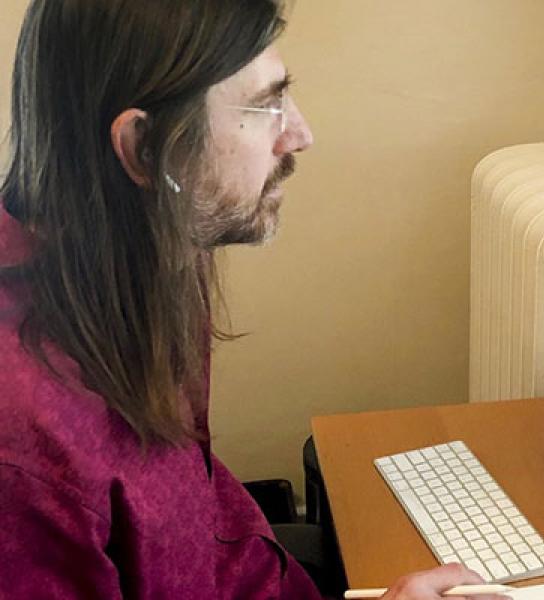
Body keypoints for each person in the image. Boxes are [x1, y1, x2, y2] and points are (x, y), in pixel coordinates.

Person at [0, 2, 506, 599]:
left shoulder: (155, 257)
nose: (300, 134)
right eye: (266, 106)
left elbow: (199, 531)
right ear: (143, 148)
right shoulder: (26, 458)